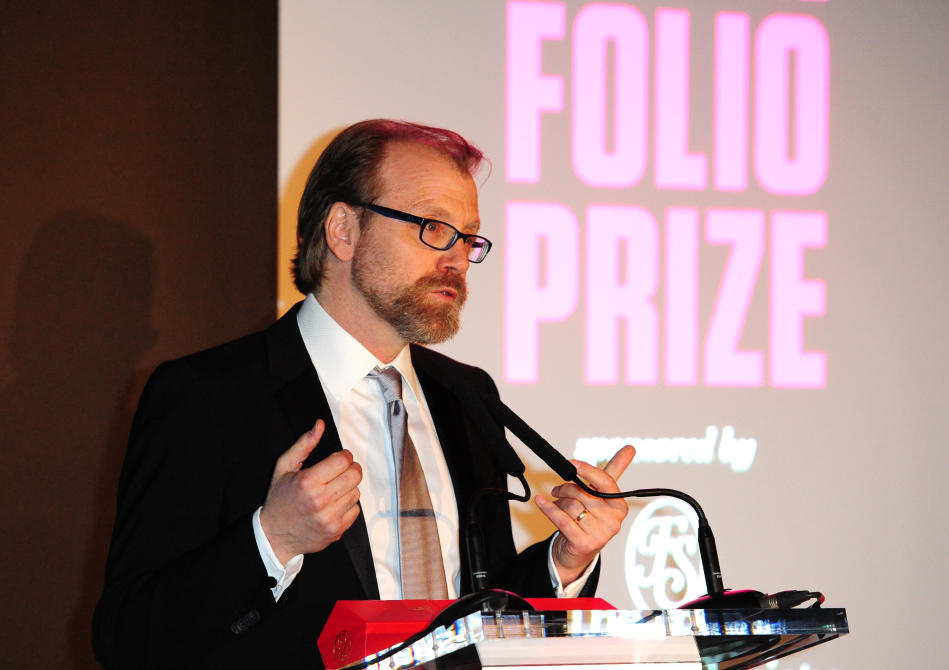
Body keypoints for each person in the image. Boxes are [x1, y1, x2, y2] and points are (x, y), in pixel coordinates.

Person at [93, 119, 634, 669]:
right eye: (432, 226)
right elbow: (129, 638)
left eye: (469, 237)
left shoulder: (465, 394)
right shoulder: (208, 396)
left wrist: (563, 562)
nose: (456, 257)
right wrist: (272, 538)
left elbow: (477, 613)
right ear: (343, 230)